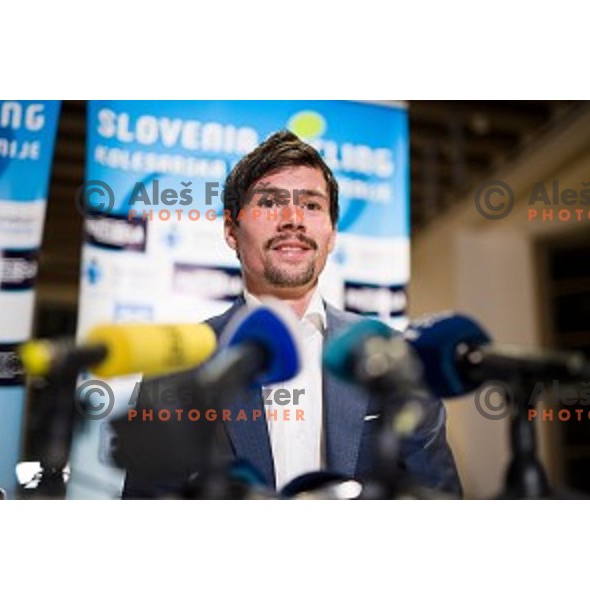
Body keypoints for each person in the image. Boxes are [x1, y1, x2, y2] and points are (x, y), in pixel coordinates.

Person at [122, 130, 461, 498]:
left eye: (312, 206)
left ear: (331, 234)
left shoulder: (395, 357)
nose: (293, 219)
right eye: (269, 202)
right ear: (231, 230)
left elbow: (438, 497)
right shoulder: (179, 366)